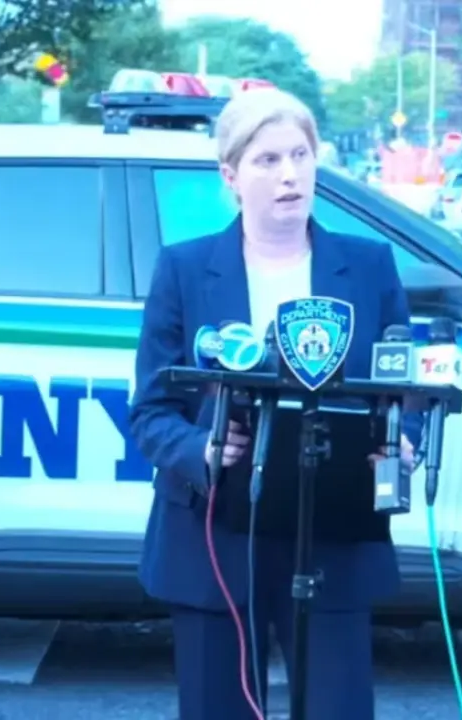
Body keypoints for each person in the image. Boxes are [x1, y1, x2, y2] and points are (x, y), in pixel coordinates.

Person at [129, 87, 419, 720]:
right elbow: (150, 412)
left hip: (333, 530)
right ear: (231, 176)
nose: (290, 174)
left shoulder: (369, 266)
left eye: (300, 155)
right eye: (267, 160)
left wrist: (403, 441)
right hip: (214, 532)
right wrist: (201, 449)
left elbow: (403, 391)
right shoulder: (183, 269)